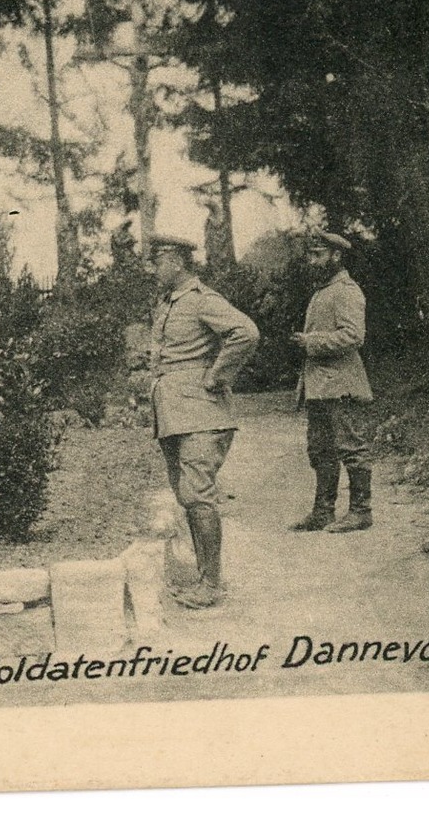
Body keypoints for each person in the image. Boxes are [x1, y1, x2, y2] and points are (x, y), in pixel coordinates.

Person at [147, 234, 260, 609]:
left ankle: (212, 584)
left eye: (159, 260)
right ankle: (203, 576)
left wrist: (217, 375)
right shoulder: (167, 303)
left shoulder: (201, 300)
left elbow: (245, 333)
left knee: (198, 495)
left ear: (178, 261)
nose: (154, 268)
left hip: (201, 413)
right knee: (187, 495)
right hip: (175, 414)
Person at [289, 230, 375, 533]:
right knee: (320, 449)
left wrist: (311, 341)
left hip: (342, 385)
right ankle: (323, 511)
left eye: (318, 255)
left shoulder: (346, 290)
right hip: (320, 386)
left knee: (352, 447)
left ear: (336, 256)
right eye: (310, 254)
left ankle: (361, 511)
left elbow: (354, 336)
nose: (312, 261)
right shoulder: (322, 291)